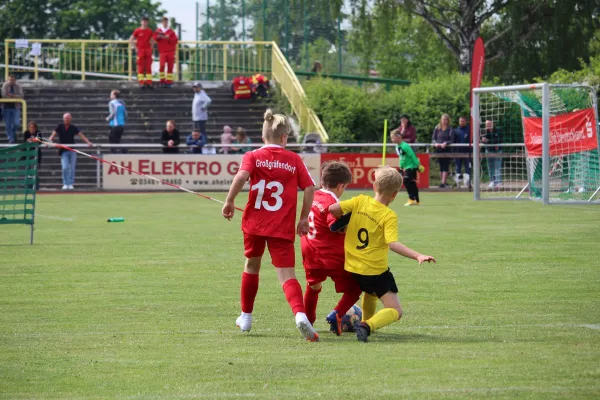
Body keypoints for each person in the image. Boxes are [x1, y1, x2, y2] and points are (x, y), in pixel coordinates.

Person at [221, 109, 319, 342]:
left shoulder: (253, 155)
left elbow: (241, 177)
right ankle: (300, 315)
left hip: (255, 223)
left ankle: (246, 317)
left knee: (252, 266)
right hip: (282, 226)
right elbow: (310, 188)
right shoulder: (294, 159)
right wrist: (304, 217)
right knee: (287, 275)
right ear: (285, 138)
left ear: (263, 136)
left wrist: (229, 201)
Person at [329, 166, 435, 342]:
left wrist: (346, 221)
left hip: (353, 267)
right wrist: (417, 255)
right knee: (396, 311)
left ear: (373, 187)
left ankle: (364, 321)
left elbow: (333, 209)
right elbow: (392, 244)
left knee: (370, 294)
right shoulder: (388, 216)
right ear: (394, 194)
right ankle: (366, 325)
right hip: (375, 270)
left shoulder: (359, 201)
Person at [301, 161, 362, 335]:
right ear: (341, 186)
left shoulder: (313, 195)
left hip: (310, 251)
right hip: (330, 255)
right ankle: (337, 314)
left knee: (313, 287)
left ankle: (308, 323)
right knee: (355, 287)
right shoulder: (332, 202)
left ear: (323, 181)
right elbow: (335, 225)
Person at [48, 113, 93, 190]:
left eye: (68, 118)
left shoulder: (73, 127)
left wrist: (88, 142)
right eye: (65, 118)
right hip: (63, 150)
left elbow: (81, 135)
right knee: (65, 167)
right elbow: (53, 134)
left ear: (70, 119)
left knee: (72, 167)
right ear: (63, 119)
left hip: (72, 149)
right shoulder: (60, 126)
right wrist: (49, 141)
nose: (66, 120)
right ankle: (65, 183)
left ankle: (71, 183)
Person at [391, 129, 422, 206]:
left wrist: (418, 165)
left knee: (406, 180)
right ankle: (417, 200)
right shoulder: (397, 147)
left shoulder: (405, 146)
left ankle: (411, 198)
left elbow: (412, 155)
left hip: (411, 166)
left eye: (393, 138)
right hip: (406, 167)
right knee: (412, 182)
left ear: (398, 137)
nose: (392, 140)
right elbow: (401, 158)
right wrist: (401, 168)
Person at [129, 16, 155, 88]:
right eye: (143, 21)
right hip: (140, 50)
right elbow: (131, 39)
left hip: (147, 50)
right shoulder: (137, 30)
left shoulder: (149, 31)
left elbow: (153, 40)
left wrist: (151, 48)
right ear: (141, 22)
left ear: (147, 23)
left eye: (146, 21)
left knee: (148, 67)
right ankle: (141, 82)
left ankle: (149, 82)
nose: (144, 23)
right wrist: (135, 48)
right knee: (140, 67)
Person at [154, 16, 178, 88]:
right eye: (164, 22)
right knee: (162, 66)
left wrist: (168, 38)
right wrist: (159, 37)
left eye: (166, 22)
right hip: (162, 51)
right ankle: (162, 80)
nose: (165, 23)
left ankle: (169, 82)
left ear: (167, 23)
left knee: (170, 67)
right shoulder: (158, 31)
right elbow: (155, 37)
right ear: (162, 22)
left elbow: (175, 40)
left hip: (170, 51)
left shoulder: (171, 31)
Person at [432, 113, 454, 188]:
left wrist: (446, 143)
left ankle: (443, 182)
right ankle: (442, 182)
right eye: (443, 119)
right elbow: (433, 138)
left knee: (445, 165)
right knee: (441, 165)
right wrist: (435, 143)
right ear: (441, 120)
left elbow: (451, 140)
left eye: (446, 119)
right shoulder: (437, 128)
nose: (444, 121)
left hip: (446, 149)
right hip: (438, 149)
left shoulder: (450, 129)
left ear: (448, 120)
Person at [2, 75, 24, 144]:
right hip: (6, 107)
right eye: (10, 80)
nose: (11, 81)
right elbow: (4, 95)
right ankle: (11, 139)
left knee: (16, 124)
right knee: (8, 124)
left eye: (13, 80)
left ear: (15, 80)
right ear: (8, 80)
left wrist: (12, 95)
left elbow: (21, 96)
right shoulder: (5, 85)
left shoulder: (18, 86)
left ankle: (13, 134)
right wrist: (14, 96)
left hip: (15, 107)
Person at [481, 119, 502, 189]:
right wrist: (493, 143)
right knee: (490, 167)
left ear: (492, 124)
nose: (488, 126)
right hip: (489, 151)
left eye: (489, 124)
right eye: (487, 124)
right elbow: (483, 141)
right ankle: (492, 181)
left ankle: (498, 182)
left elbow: (500, 139)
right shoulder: (484, 131)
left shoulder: (498, 130)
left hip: (498, 151)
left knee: (497, 167)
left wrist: (489, 141)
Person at [23, 121, 43, 189]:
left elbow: (39, 141)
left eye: (33, 127)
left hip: (36, 154)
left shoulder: (38, 133)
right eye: (31, 127)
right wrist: (31, 140)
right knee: (28, 171)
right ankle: (28, 186)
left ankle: (36, 187)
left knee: (35, 171)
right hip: (28, 154)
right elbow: (25, 141)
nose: (32, 129)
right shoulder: (26, 133)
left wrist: (33, 140)